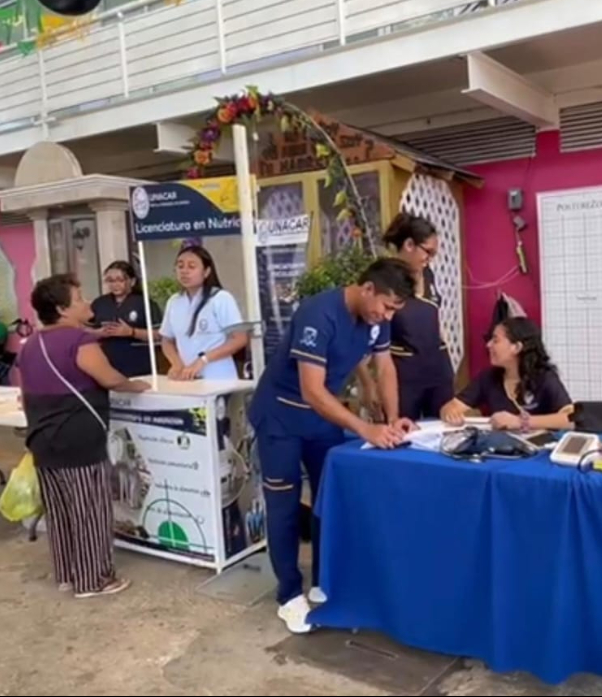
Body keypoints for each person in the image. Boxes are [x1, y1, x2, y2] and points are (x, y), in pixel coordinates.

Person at [248, 257, 416, 634]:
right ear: (367, 288)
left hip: (323, 417)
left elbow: (385, 367)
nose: (386, 316)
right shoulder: (318, 314)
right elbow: (312, 389)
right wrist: (364, 429)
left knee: (329, 498)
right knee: (284, 505)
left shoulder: (375, 323)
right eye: (386, 306)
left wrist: (391, 420)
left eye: (394, 310)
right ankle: (289, 594)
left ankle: (324, 581)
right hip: (281, 417)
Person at [16, 274, 149, 599]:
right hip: (78, 439)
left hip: (42, 440)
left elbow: (23, 395)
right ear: (62, 309)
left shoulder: (30, 344)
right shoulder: (79, 341)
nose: (87, 302)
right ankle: (94, 581)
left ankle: (68, 573)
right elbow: (110, 379)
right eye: (79, 298)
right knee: (90, 510)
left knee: (60, 511)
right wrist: (139, 385)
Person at [366, 211, 454, 421]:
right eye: (428, 252)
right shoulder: (385, 278)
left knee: (442, 431)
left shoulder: (429, 275)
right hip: (404, 372)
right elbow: (364, 333)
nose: (430, 259)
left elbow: (433, 317)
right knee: (402, 432)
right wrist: (368, 384)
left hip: (437, 368)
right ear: (409, 245)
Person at [441, 317, 573, 431]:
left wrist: (520, 422)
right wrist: (450, 414)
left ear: (516, 347)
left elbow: (572, 419)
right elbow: (450, 407)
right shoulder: (488, 378)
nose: (488, 345)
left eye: (495, 340)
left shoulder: (544, 377)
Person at [161, 246, 248, 381]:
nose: (184, 271)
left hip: (218, 376)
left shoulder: (220, 298)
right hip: (186, 378)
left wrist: (204, 360)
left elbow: (240, 339)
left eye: (191, 267)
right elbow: (167, 340)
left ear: (206, 271)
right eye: (180, 266)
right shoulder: (174, 301)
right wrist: (176, 363)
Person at [90, 260, 163, 378]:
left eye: (120, 280)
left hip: (137, 366)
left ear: (132, 281)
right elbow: (83, 330)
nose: (115, 284)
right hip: (106, 365)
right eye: (110, 280)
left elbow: (159, 335)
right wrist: (98, 333)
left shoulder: (144, 303)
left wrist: (131, 332)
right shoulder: (99, 303)